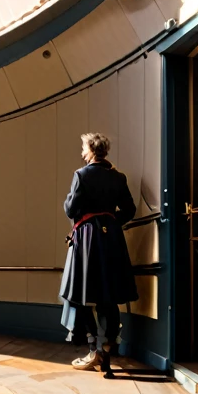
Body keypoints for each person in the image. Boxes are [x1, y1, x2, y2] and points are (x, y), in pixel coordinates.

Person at [59, 132, 137, 376]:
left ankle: (94, 348)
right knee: (109, 295)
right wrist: (111, 223)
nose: (82, 152)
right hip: (112, 239)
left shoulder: (81, 175)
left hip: (86, 239)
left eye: (84, 148)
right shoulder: (119, 177)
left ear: (91, 151)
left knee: (79, 293)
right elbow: (130, 209)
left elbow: (70, 209)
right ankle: (106, 347)